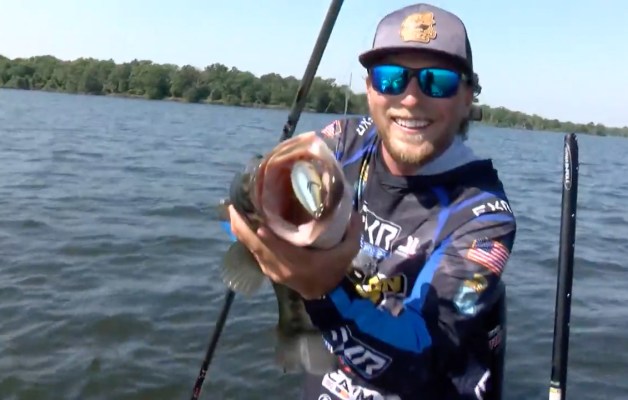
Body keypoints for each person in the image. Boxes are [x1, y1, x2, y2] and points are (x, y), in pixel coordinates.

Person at [228, 3, 517, 399]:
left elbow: (425, 352)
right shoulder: (343, 144)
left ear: (468, 97)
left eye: (437, 81)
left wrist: (322, 289)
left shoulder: (482, 218)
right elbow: (248, 192)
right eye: (390, 78)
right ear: (369, 89)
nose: (410, 98)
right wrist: (251, 197)